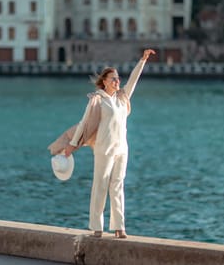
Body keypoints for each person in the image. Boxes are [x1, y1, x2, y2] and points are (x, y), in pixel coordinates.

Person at [64, 49, 156, 239]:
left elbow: (133, 81)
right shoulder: (97, 100)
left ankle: (119, 227)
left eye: (117, 78)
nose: (117, 81)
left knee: (117, 186)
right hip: (104, 149)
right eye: (113, 79)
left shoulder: (122, 98)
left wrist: (142, 61)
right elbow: (84, 123)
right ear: (104, 81)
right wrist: (73, 145)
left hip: (121, 149)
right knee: (101, 185)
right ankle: (97, 227)